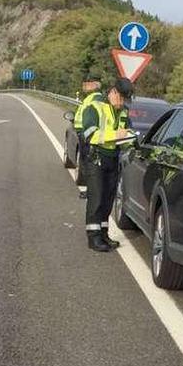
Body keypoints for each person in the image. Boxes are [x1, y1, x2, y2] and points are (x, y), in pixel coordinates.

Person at [80, 77, 134, 252]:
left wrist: (132, 139)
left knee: (107, 199)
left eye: (126, 100)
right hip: (96, 158)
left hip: (113, 159)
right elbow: (89, 135)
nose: (124, 102)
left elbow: (126, 133)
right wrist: (116, 135)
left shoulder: (123, 112)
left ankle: (103, 233)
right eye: (122, 98)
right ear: (114, 92)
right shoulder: (95, 107)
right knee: (96, 198)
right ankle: (93, 237)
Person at [73, 74, 103, 200]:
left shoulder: (95, 99)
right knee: (87, 164)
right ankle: (90, 190)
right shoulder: (89, 98)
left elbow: (92, 121)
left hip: (89, 137)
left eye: (88, 82)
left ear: (96, 85)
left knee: (90, 166)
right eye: (84, 82)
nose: (84, 85)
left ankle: (92, 192)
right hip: (85, 135)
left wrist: (86, 136)